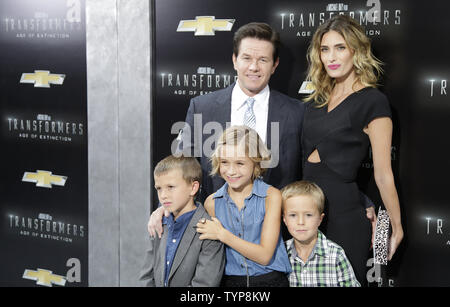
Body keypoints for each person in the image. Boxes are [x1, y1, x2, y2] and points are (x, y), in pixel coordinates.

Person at [149, 22, 305, 238]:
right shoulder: (201, 107)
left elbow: (313, 171)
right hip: (212, 230)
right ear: (234, 60)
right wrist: (164, 205)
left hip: (276, 233)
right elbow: (182, 166)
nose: (254, 67)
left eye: (263, 60)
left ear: (275, 64)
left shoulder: (297, 112)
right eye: (247, 58)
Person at [301, 14, 404, 285]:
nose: (331, 57)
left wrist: (393, 229)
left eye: (340, 48)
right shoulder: (316, 100)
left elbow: (383, 175)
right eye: (325, 49)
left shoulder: (373, 102)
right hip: (304, 218)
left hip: (345, 220)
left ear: (355, 51)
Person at [195, 125, 291, 287]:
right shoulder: (212, 203)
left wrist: (222, 234)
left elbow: (265, 256)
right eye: (225, 162)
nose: (231, 171)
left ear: (256, 163)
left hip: (269, 280)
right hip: (230, 283)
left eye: (240, 163)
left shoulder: (271, 196)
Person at [139, 155, 225, 287]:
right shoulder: (159, 223)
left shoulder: (209, 230)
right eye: (159, 188)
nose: (163, 195)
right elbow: (146, 276)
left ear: (193, 187)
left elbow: (205, 284)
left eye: (171, 187)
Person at [281, 180, 360, 287]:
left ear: (320, 219)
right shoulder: (281, 253)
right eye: (293, 215)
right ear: (284, 219)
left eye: (308, 215)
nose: (300, 222)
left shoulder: (335, 254)